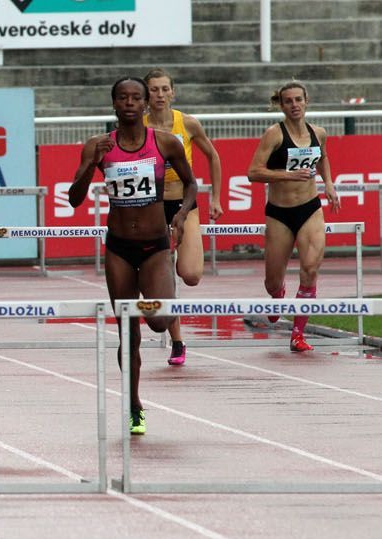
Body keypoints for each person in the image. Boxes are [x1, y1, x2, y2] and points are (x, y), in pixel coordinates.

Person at [68, 77, 196, 436]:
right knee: (129, 331)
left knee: (158, 321)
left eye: (135, 97)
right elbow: (75, 198)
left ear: (144, 104)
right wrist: (88, 165)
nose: (129, 103)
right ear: (113, 104)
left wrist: (182, 214)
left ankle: (167, 316)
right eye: (122, 97)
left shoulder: (165, 142)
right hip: (119, 248)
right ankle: (134, 405)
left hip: (155, 245)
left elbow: (191, 184)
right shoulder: (99, 146)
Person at [246, 81, 341, 352]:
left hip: (310, 207)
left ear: (307, 101)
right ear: (281, 105)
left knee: (310, 270)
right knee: (272, 280)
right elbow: (253, 172)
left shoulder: (318, 133)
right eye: (288, 101)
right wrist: (287, 175)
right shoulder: (274, 135)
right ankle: (278, 295)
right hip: (279, 213)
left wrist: (330, 186)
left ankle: (297, 334)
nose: (294, 105)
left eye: (299, 99)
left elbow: (322, 157)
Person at [141, 69, 225, 366]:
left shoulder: (187, 123)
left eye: (165, 89)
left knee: (190, 274)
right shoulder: (138, 126)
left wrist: (215, 197)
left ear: (173, 92)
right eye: (154, 90)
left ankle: (171, 267)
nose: (160, 95)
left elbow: (213, 156)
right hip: (150, 205)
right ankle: (178, 341)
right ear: (146, 94)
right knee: (165, 276)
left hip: (184, 203)